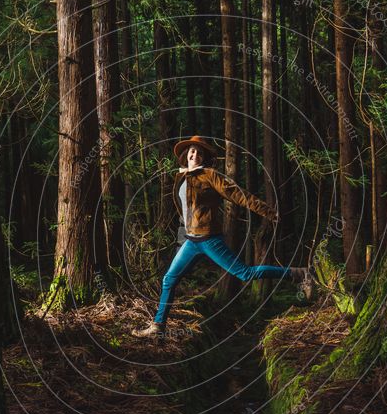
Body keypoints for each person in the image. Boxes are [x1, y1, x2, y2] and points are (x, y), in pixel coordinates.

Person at [132, 136, 316, 339]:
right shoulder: (183, 177)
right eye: (192, 151)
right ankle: (159, 326)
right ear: (186, 154)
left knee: (245, 273)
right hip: (191, 241)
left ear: (204, 158)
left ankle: (299, 274)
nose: (195, 154)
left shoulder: (211, 176)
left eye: (199, 152)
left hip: (209, 239)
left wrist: (269, 212)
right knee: (169, 279)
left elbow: (238, 194)